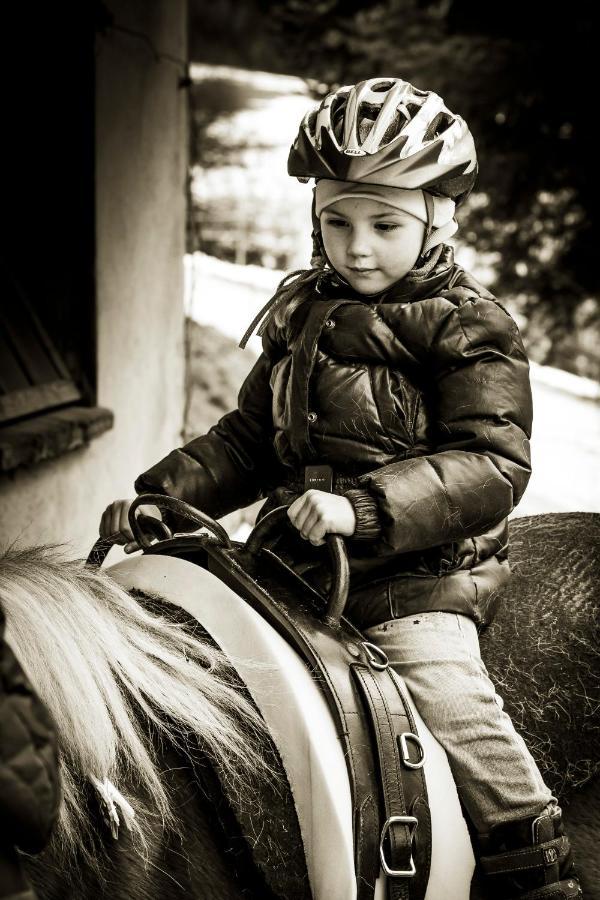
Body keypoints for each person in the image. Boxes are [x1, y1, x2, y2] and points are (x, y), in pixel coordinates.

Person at [100, 78, 582, 898]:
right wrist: (164, 492)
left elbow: (493, 464)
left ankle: (536, 863)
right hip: (291, 567)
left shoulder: (469, 325)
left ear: (441, 219)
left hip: (415, 577)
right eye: (336, 222)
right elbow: (247, 439)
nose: (357, 248)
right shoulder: (300, 315)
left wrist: (367, 508)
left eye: (386, 224)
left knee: (453, 700)